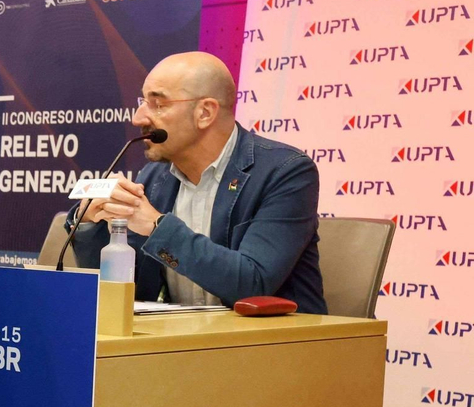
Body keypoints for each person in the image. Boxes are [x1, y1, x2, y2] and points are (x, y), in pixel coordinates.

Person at [72, 50, 326, 312]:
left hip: (274, 344)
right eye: (142, 102)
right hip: (182, 340)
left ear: (205, 112)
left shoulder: (285, 172)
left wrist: (157, 225)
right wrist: (90, 224)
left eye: (158, 104)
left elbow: (254, 283)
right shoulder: (154, 177)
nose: (138, 118)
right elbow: (127, 289)